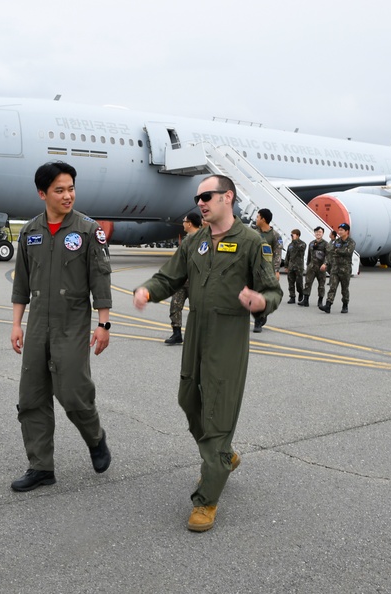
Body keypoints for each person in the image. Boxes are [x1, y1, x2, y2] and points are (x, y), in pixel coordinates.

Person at [133, 174, 282, 532]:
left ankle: (207, 498)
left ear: (227, 197)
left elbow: (272, 291)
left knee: (217, 411)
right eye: (198, 197)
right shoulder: (195, 241)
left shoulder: (251, 242)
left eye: (207, 195)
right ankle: (224, 456)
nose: (201, 202)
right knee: (189, 399)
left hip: (229, 333)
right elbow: (170, 277)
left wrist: (261, 302)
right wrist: (148, 291)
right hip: (197, 329)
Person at [9, 162, 113, 492]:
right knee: (31, 397)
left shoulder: (87, 230)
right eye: (59, 190)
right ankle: (41, 466)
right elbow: (21, 283)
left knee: (73, 392)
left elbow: (101, 279)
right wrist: (16, 324)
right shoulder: (30, 232)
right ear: (42, 194)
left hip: (72, 325)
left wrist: (104, 323)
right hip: (38, 324)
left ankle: (95, 439)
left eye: (71, 188)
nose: (68, 195)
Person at [165, 212, 202, 345]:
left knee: (197, 309)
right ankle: (177, 334)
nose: (183, 223)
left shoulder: (203, 239)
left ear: (190, 223)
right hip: (182, 281)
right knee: (175, 305)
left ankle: (199, 336)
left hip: (196, 281)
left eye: (184, 221)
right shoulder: (187, 239)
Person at [253, 208, 281, 333]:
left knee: (262, 294)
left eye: (258, 217)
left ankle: (259, 319)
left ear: (263, 219)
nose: (256, 219)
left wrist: (276, 270)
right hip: (253, 268)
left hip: (266, 270)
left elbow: (277, 254)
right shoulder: (253, 233)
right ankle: (260, 315)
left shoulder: (275, 236)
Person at [320, 223, 356, 314]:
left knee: (344, 289)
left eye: (341, 230)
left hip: (345, 269)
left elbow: (348, 252)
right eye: (339, 230)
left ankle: (345, 305)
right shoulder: (336, 242)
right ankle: (328, 305)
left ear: (347, 231)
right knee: (332, 287)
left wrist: (337, 251)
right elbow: (330, 254)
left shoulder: (351, 242)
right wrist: (325, 263)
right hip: (335, 268)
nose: (339, 232)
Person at [301, 226, 329, 307]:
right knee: (307, 283)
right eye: (316, 232)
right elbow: (309, 255)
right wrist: (308, 265)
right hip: (311, 267)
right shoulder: (311, 243)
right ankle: (305, 300)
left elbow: (328, 256)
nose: (318, 234)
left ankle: (320, 301)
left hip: (321, 268)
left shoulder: (326, 244)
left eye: (320, 232)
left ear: (322, 233)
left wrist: (325, 264)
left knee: (321, 285)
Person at [284, 228, 306, 305]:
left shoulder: (302, 244)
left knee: (299, 283)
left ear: (298, 235)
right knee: (290, 282)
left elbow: (300, 250)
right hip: (291, 266)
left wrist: (295, 241)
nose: (292, 236)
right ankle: (292, 297)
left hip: (298, 266)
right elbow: (288, 255)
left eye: (293, 234)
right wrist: (286, 266)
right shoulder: (290, 245)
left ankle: (301, 292)